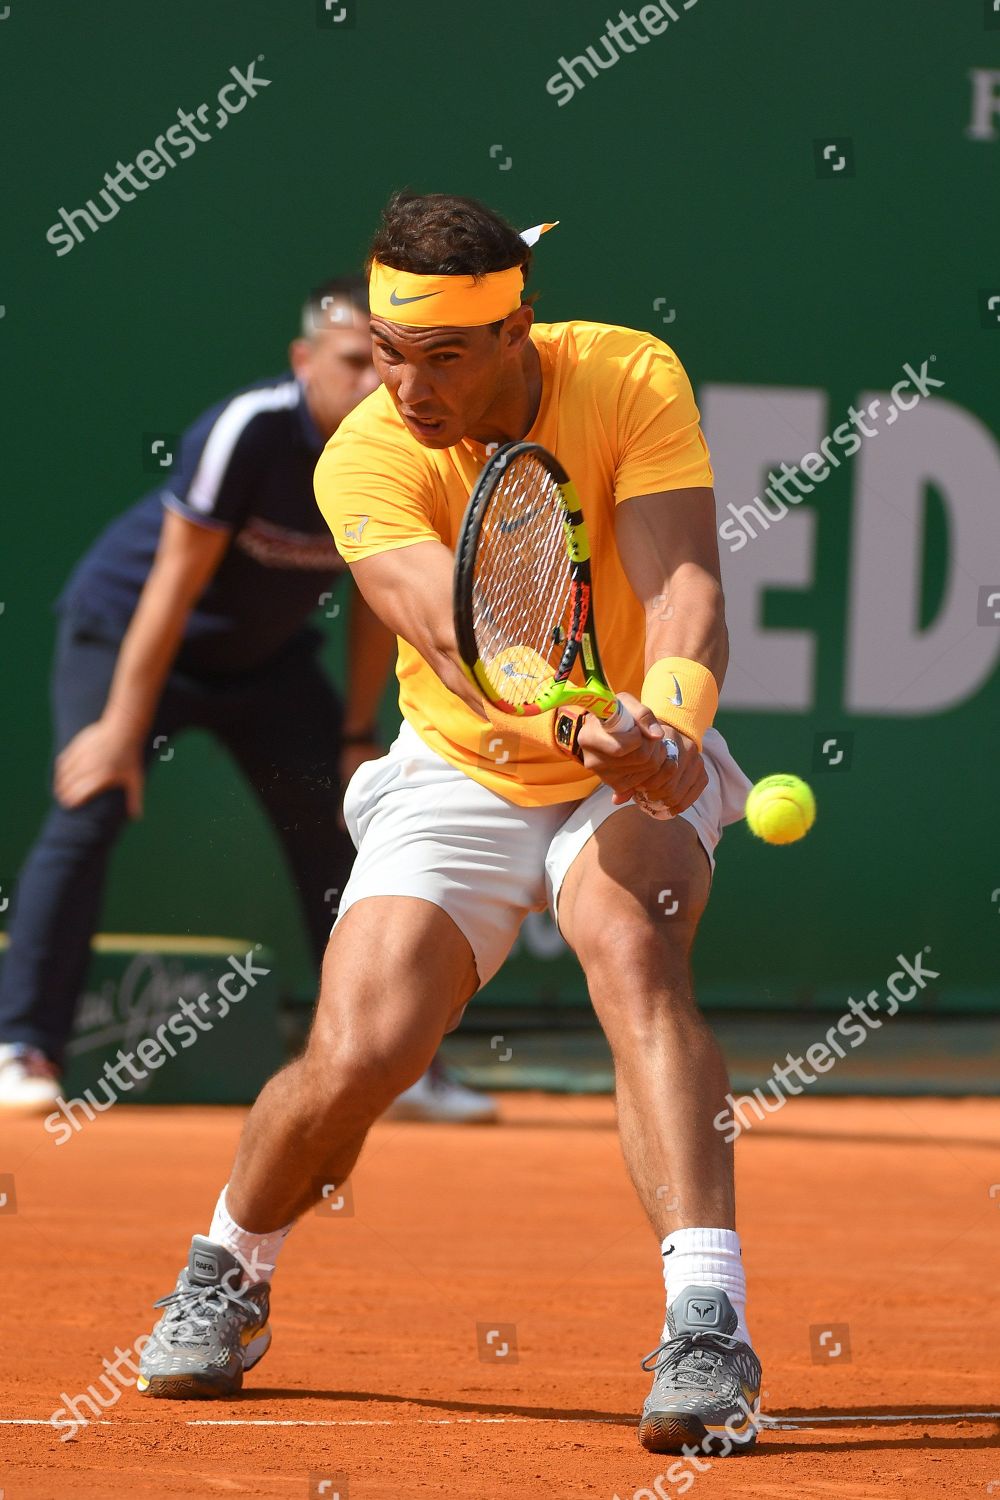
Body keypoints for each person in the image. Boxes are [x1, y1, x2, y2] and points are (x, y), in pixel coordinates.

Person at [136, 193, 760, 1456]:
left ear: (516, 327)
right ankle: (229, 1262)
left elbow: (684, 579)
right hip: (464, 766)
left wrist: (671, 727)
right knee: (362, 1050)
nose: (405, 386)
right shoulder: (361, 453)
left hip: (636, 748)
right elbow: (448, 623)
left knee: (632, 949)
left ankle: (707, 1322)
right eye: (382, 351)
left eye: (441, 355)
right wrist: (563, 708)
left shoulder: (628, 372)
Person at [0, 275, 495, 1126]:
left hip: (266, 666)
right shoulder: (251, 430)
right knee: (89, 803)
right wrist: (122, 730)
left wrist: (354, 735)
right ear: (304, 360)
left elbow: (387, 604)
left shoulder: (404, 449)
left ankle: (396, 1061)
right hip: (132, 638)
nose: (375, 383)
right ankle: (20, 1045)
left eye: (385, 362)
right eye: (352, 362)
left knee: (346, 832)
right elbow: (170, 584)